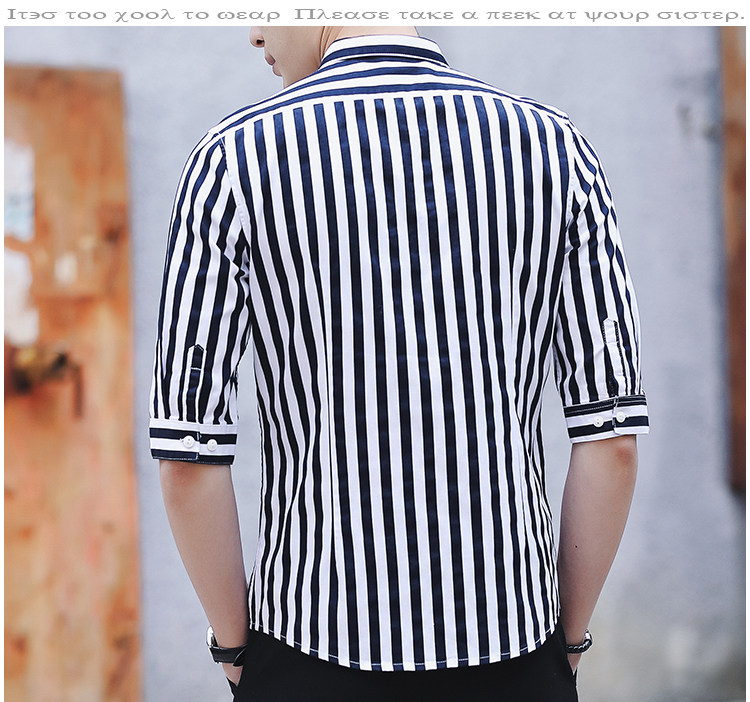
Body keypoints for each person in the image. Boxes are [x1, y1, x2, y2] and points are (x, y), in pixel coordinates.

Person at [149, 25, 648, 701]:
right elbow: (611, 440)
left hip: (311, 652)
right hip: (515, 654)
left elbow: (188, 453)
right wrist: (567, 644)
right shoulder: (557, 151)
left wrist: (237, 653)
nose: (254, 32)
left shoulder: (231, 162)